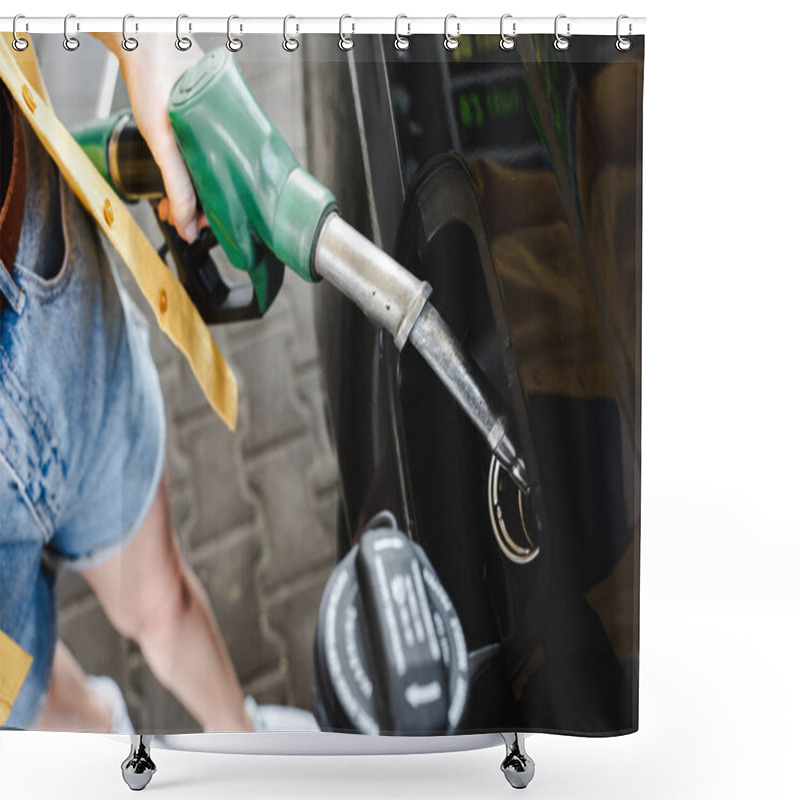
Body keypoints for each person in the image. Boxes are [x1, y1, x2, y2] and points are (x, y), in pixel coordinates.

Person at [0, 34, 315, 733]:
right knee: (34, 699)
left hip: (43, 287)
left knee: (161, 603)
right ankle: (112, 748)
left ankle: (247, 752)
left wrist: (142, 41)